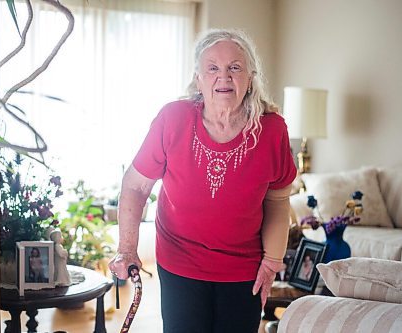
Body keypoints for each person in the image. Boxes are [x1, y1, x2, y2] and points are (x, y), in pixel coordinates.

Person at [109, 28, 296, 333]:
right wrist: (127, 248)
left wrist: (272, 261)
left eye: (235, 68)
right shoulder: (173, 119)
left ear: (250, 77)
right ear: (199, 78)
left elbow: (277, 199)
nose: (224, 77)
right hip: (179, 261)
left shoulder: (272, 130)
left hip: (243, 270)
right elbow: (136, 185)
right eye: (213, 68)